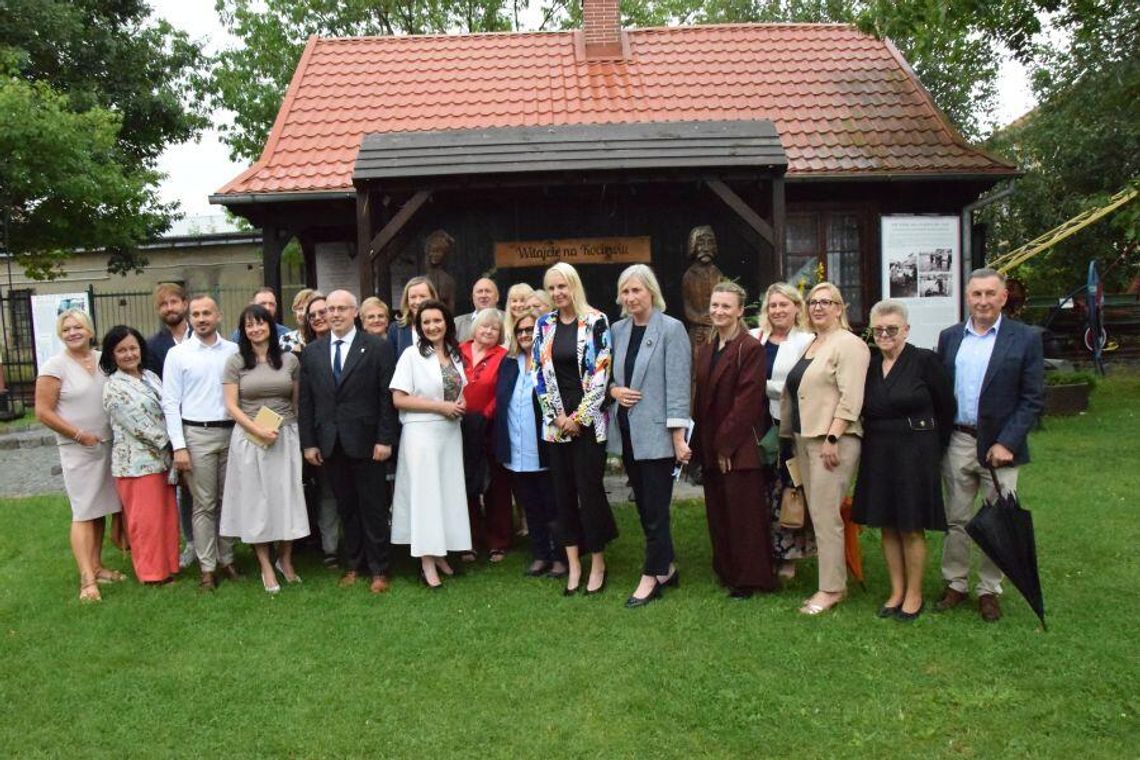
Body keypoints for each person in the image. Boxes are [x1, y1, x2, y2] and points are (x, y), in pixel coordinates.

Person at [935, 268, 1044, 622]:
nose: (982, 301)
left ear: (1003, 297)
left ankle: (988, 589)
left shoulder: (1024, 338)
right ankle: (955, 583)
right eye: (976, 294)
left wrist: (1007, 442)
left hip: (999, 447)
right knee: (957, 518)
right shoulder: (950, 337)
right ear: (967, 297)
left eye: (990, 294)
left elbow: (1032, 398)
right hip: (958, 440)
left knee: (999, 519)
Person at [852, 300, 955, 621]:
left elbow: (946, 408)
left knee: (911, 525)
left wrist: (934, 449)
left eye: (892, 329)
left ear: (906, 330)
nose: (885, 335)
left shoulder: (925, 361)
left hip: (916, 451)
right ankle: (896, 590)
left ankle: (914, 594)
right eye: (878, 330)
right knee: (887, 523)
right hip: (878, 450)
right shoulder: (869, 366)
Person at [299, 289, 398, 594]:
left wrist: (385, 439)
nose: (335, 314)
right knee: (347, 507)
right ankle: (354, 564)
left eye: (342, 308)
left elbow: (386, 398)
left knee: (373, 506)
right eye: (330, 309)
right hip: (331, 442)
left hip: (368, 442)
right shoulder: (312, 352)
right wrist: (309, 443)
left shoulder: (377, 347)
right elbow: (306, 401)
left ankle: (379, 568)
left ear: (355, 312)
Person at [780, 282, 870, 615]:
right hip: (805, 437)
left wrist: (833, 437)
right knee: (818, 513)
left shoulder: (849, 344)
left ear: (839, 308)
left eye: (826, 302)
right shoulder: (814, 343)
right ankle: (831, 580)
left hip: (831, 441)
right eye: (813, 302)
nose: (818, 307)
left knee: (826, 514)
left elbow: (851, 397)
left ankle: (832, 589)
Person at [607, 264, 691, 608]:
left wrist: (678, 438)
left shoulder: (671, 329)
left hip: (658, 435)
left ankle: (651, 576)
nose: (630, 298)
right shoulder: (617, 330)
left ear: (651, 292)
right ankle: (667, 567)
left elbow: (679, 388)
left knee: (656, 509)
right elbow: (606, 377)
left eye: (636, 290)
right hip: (628, 433)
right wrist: (614, 391)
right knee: (643, 505)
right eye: (625, 292)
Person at [533, 262, 616, 596]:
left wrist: (578, 418)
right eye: (552, 288)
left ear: (574, 286)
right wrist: (556, 417)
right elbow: (538, 373)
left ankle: (597, 563)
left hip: (588, 424)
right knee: (562, 494)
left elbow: (601, 373)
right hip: (556, 424)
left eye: (562, 286)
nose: (557, 293)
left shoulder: (596, 320)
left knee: (589, 491)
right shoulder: (544, 324)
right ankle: (573, 564)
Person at [692, 281, 774, 599]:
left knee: (743, 516)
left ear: (740, 311)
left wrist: (725, 446)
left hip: (737, 447)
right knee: (719, 512)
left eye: (726, 306)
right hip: (711, 443)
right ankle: (726, 570)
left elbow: (747, 404)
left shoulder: (749, 348)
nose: (719, 311)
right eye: (715, 305)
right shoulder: (708, 347)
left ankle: (748, 579)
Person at [35, 309, 124, 601]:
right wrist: (77, 434)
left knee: (99, 510)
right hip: (78, 449)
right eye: (66, 329)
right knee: (84, 512)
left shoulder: (103, 360)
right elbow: (43, 411)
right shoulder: (54, 366)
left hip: (107, 446)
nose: (73, 333)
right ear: (60, 335)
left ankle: (97, 566)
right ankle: (87, 580)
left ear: (89, 331)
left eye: (78, 327)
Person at [221, 304, 310, 594]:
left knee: (287, 498)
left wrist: (297, 434)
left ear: (271, 327)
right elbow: (231, 405)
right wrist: (257, 430)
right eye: (249, 325)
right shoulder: (236, 362)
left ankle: (285, 559)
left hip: (285, 436)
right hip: (251, 438)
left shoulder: (289, 360)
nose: (256, 329)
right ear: (243, 331)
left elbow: (296, 402)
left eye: (260, 323)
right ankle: (265, 565)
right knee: (257, 502)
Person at [390, 300, 472, 588]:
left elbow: (456, 390)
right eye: (426, 322)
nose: (432, 326)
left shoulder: (454, 354)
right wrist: (441, 407)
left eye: (437, 320)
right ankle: (426, 562)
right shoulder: (411, 355)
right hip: (422, 434)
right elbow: (399, 399)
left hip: (449, 433)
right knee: (425, 498)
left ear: (447, 323)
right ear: (419, 326)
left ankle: (439, 553)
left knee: (445, 495)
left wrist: (460, 403)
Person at [162, 294, 241, 592]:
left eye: (207, 313)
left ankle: (227, 558)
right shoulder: (178, 354)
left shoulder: (233, 351)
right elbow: (171, 403)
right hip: (197, 434)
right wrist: (179, 446)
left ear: (218, 316)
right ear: (189, 318)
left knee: (227, 500)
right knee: (204, 503)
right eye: (196, 314)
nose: (201, 319)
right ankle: (207, 567)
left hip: (231, 432)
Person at [100, 326, 179, 586]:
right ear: (112, 355)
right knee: (146, 522)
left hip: (161, 462)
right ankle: (152, 574)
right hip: (137, 465)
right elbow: (139, 426)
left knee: (166, 518)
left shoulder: (150, 376)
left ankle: (169, 566)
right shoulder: (114, 387)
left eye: (133, 348)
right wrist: (174, 444)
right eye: (121, 350)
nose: (129, 354)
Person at [750, 283, 816, 580]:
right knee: (760, 489)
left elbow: (800, 384)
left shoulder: (807, 341)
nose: (777, 310)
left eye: (783, 305)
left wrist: (760, 386)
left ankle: (788, 555)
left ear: (796, 308)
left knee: (787, 489)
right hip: (757, 424)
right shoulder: (754, 337)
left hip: (787, 425)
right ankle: (763, 551)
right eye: (772, 305)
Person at [493, 312, 566, 577]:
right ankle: (540, 554)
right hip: (517, 449)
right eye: (520, 330)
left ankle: (561, 557)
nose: (524, 334)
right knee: (531, 506)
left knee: (552, 506)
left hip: (544, 448)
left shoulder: (549, 361)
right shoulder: (509, 363)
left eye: (529, 329)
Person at [144, 282, 196, 569]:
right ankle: (192, 542)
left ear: (185, 303)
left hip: (206, 420)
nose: (169, 308)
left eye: (174, 302)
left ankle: (221, 540)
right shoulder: (153, 347)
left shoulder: (203, 335)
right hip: (174, 424)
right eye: (163, 304)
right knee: (186, 488)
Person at [458, 309, 511, 562]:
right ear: (475, 328)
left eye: (494, 328)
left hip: (490, 427)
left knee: (495, 485)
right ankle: (469, 538)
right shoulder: (458, 350)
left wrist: (484, 416)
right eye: (484, 326)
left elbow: (503, 391)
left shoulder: (503, 356)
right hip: (458, 425)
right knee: (464, 484)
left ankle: (497, 541)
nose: (488, 331)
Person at [393, 276, 438, 357]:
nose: (418, 302)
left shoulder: (443, 326)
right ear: (407, 301)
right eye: (413, 297)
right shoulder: (396, 329)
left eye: (423, 296)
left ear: (433, 298)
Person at [456, 277, 503, 343]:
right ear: (473, 297)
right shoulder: (457, 323)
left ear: (497, 297)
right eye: (480, 291)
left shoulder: (509, 320)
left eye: (488, 291)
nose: (483, 295)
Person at [423, 229, 458, 314]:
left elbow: (451, 306)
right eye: (432, 251)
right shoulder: (424, 279)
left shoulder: (448, 280)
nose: (434, 254)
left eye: (438, 251)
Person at [280, 288, 316, 354]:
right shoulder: (286, 339)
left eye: (307, 309)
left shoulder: (326, 338)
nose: (304, 313)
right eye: (300, 309)